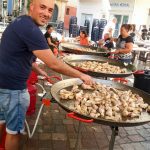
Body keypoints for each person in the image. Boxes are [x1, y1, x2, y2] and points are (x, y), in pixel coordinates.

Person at [0, 0, 94, 150]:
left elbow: (20, 55)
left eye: (50, 10)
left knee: (2, 122)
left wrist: (40, 71)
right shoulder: (31, 29)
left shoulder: (20, 22)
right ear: (31, 7)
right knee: (13, 132)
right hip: (14, 91)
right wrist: (81, 75)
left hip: (3, 85)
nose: (46, 13)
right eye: (42, 7)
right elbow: (54, 64)